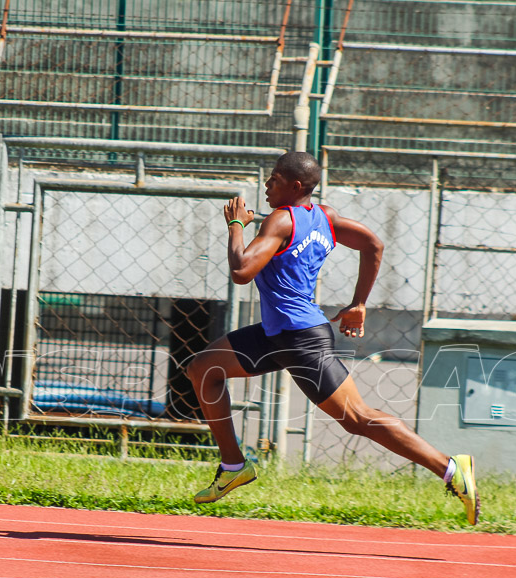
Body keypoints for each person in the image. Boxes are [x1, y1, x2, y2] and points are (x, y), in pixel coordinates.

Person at [185, 151, 480, 525]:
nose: (266, 184)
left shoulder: (279, 220)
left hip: (299, 340)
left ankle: (451, 468)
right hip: (278, 334)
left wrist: (235, 225)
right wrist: (358, 303)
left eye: (273, 179)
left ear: (294, 186)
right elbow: (374, 245)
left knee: (358, 417)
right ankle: (233, 465)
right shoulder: (326, 217)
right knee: (203, 368)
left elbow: (242, 270)